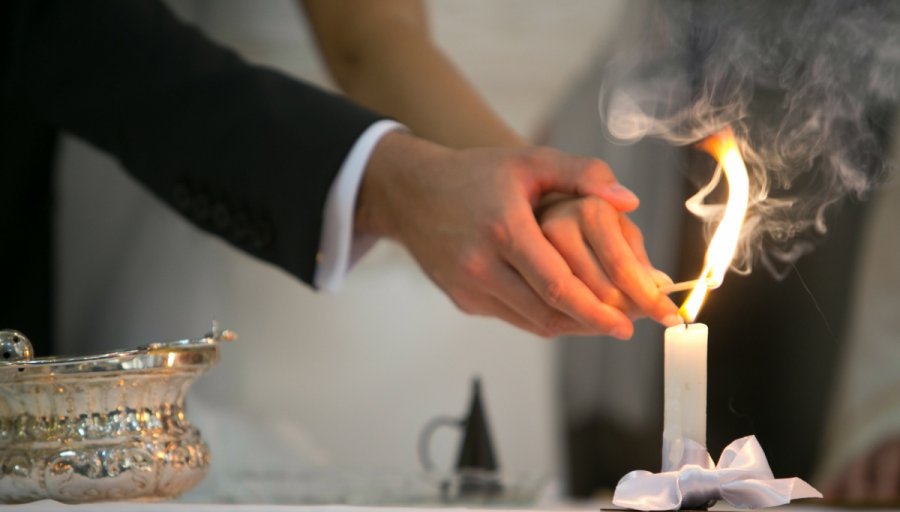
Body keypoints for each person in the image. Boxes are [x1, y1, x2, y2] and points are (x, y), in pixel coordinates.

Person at [1, 0, 680, 354]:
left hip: (499, 298)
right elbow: (369, 39)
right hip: (271, 278)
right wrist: (500, 191)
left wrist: (543, 204)